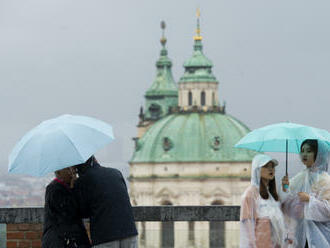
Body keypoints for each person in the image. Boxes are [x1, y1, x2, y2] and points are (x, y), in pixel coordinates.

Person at [73, 156, 138, 248]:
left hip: (105, 235)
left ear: (77, 169)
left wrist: (73, 184)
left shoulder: (82, 181)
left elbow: (82, 212)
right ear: (95, 160)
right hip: (129, 230)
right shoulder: (116, 173)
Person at [282, 139, 330, 248]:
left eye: (309, 151)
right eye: (302, 151)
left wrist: (310, 200)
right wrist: (285, 186)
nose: (304, 154)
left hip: (319, 235)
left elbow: (328, 210)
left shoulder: (326, 180)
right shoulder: (301, 177)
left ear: (318, 154)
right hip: (300, 233)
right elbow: (289, 197)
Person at [240, 154, 286, 248]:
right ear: (257, 170)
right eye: (266, 166)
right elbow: (247, 225)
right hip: (261, 244)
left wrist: (286, 187)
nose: (271, 169)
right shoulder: (250, 194)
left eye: (272, 166)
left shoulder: (272, 194)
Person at [42, 167, 91, 248]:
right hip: (60, 241)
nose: (71, 173)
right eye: (68, 169)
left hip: (72, 239)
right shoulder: (54, 189)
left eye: (72, 169)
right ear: (59, 173)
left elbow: (83, 210)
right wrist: (73, 189)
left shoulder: (68, 187)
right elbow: (69, 211)